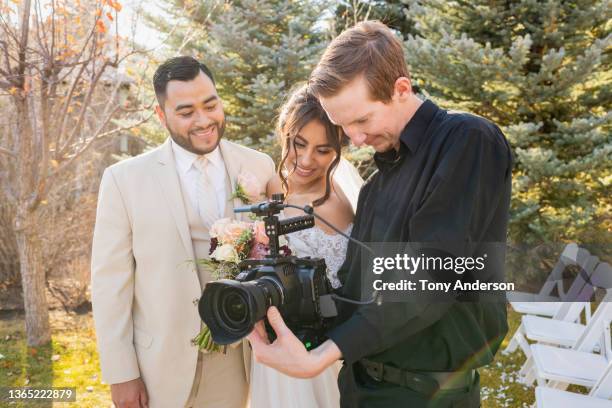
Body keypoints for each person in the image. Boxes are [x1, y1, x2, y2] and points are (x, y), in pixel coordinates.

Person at [247, 21, 512, 407]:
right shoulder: (375, 188)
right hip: (359, 389)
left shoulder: (467, 141)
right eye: (343, 126)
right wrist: (273, 305)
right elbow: (356, 294)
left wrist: (323, 355)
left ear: (401, 89)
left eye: (361, 120)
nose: (354, 139)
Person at [91, 56, 275, 408]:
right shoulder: (123, 180)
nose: (204, 120)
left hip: (241, 362)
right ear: (162, 116)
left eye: (211, 105)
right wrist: (121, 373)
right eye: (187, 112)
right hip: (158, 367)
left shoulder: (258, 166)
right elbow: (109, 283)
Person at [250, 85, 363, 407]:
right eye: (298, 144)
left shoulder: (336, 204)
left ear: (339, 150)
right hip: (272, 351)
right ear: (285, 133)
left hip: (318, 351)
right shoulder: (269, 186)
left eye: (323, 150)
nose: (306, 160)